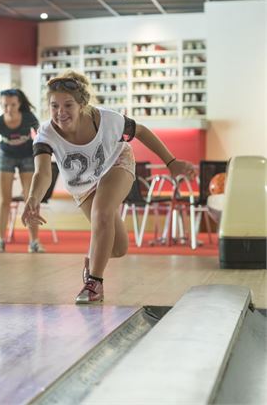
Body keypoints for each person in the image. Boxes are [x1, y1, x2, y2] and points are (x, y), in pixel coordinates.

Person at [22, 71, 196, 304]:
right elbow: (42, 173)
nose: (60, 112)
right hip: (82, 185)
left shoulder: (106, 120)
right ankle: (93, 259)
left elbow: (142, 131)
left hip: (116, 163)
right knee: (118, 247)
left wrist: (171, 163)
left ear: (82, 104)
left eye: (68, 105)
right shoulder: (46, 134)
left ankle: (94, 283)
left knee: (102, 212)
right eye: (54, 106)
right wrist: (33, 198)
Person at [0, 88, 43, 254]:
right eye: (5, 105)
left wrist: (41, 162)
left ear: (19, 104)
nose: (8, 108)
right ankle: (0, 241)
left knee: (30, 198)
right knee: (3, 199)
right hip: (5, 157)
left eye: (12, 104)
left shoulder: (29, 118)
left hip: (27, 156)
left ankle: (34, 242)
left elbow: (41, 136)